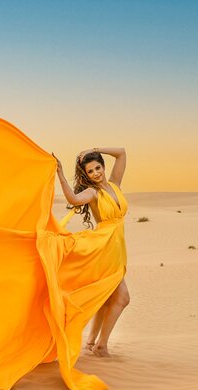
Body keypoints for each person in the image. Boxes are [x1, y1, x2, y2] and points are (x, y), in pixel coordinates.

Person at [53, 147, 130, 357]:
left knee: (108, 299)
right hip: (103, 249)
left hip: (117, 248)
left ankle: (90, 342)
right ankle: (101, 346)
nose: (96, 173)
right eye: (90, 171)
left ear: (103, 167)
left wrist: (95, 149)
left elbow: (121, 153)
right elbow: (73, 200)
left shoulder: (115, 184)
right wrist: (60, 174)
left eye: (98, 168)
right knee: (122, 298)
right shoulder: (93, 193)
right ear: (86, 175)